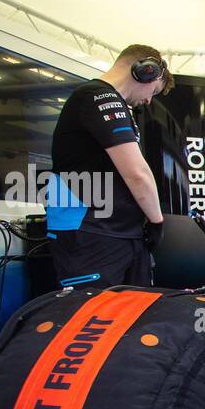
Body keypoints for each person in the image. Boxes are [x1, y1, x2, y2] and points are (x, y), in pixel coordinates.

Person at [46, 45, 172, 287]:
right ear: (145, 71)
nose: (147, 100)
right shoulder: (96, 97)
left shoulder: (112, 103)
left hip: (116, 233)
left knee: (133, 315)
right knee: (92, 317)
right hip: (91, 232)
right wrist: (157, 222)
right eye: (153, 90)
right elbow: (137, 173)